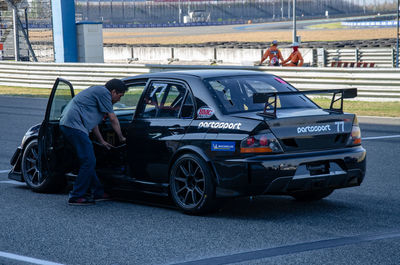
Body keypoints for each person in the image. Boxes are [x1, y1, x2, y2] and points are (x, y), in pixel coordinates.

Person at [60, 79, 128, 205]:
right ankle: (76, 196)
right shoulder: (103, 92)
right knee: (89, 161)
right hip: (74, 126)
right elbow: (113, 118)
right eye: (120, 95)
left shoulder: (98, 95)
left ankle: (98, 192)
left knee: (88, 161)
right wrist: (121, 137)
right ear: (113, 92)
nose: (119, 99)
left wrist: (102, 141)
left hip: (72, 125)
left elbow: (93, 122)